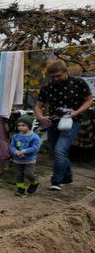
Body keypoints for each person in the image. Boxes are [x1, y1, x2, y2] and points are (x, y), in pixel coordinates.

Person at [33, 60, 93, 190]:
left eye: (58, 76)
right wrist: (41, 117)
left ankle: (56, 181)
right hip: (53, 123)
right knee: (57, 152)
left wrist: (76, 112)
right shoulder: (47, 87)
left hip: (72, 122)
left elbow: (89, 100)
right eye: (52, 77)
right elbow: (38, 105)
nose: (55, 79)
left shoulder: (78, 83)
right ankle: (67, 177)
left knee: (60, 150)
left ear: (66, 72)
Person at [9, 114, 41, 196]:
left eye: (23, 125)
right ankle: (21, 189)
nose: (20, 127)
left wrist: (24, 151)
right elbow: (12, 146)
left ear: (29, 126)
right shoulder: (15, 136)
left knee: (28, 173)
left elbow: (35, 148)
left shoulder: (34, 137)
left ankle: (34, 183)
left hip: (29, 160)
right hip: (17, 160)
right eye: (19, 125)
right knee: (18, 175)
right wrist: (15, 152)